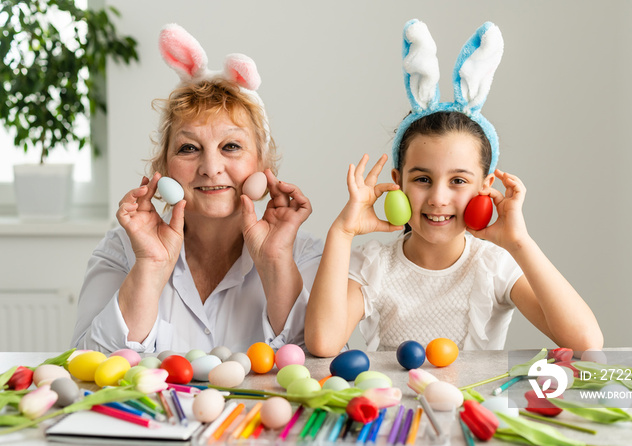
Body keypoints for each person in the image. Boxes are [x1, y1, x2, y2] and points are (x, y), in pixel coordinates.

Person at [305, 20, 603, 356]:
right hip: (398, 408)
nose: (438, 198)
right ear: (398, 181)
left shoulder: (494, 266)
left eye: (458, 181)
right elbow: (323, 343)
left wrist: (520, 243)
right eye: (422, 179)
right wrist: (342, 233)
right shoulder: (375, 266)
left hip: (476, 407)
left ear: (486, 187)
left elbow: (586, 343)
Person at [72, 24, 323, 353]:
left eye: (231, 146)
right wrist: (150, 265)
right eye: (189, 148)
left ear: (264, 167)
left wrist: (276, 264)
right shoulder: (123, 250)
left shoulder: (304, 254)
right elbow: (85, 365)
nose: (211, 167)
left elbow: (325, 372)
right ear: (162, 169)